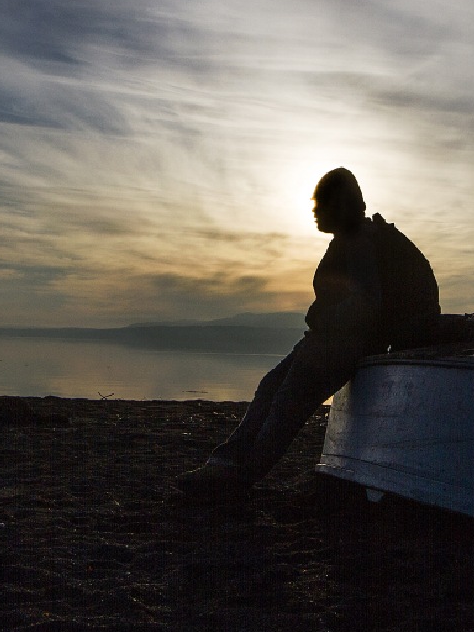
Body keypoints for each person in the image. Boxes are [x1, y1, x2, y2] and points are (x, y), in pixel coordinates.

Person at [173, 167, 439, 502]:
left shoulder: (357, 241)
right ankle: (224, 464)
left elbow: (367, 301)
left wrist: (328, 320)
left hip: (340, 342)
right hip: (329, 337)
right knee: (271, 387)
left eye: (319, 203)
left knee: (286, 405)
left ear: (337, 205)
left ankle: (237, 479)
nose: (313, 210)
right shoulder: (351, 238)